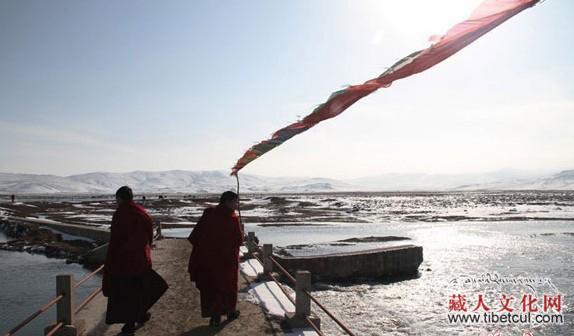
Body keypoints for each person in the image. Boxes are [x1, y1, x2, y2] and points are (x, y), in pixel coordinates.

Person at [103, 186, 157, 335]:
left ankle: (129, 325)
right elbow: (149, 232)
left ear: (119, 198)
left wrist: (112, 259)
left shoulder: (120, 214)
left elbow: (116, 239)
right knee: (140, 289)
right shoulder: (141, 211)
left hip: (124, 260)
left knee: (127, 292)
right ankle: (141, 315)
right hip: (141, 258)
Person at [187, 191, 244, 327]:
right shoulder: (232, 218)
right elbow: (238, 240)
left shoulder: (209, 214)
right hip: (226, 261)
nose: (236, 205)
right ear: (227, 201)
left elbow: (195, 236)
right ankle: (230, 311)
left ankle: (215, 316)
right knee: (228, 286)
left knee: (211, 287)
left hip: (207, 260)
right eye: (235, 202)